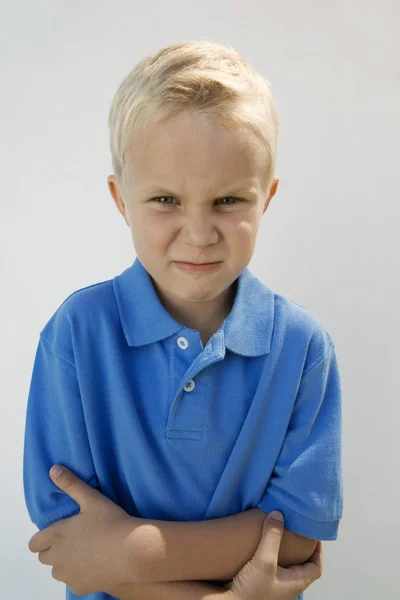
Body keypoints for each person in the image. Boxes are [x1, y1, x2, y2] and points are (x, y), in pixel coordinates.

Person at [23, 40, 343, 600]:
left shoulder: (302, 347)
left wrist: (131, 549)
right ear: (121, 199)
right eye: (166, 200)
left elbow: (297, 535)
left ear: (265, 198)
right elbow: (67, 542)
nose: (198, 233)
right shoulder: (77, 333)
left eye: (227, 201)